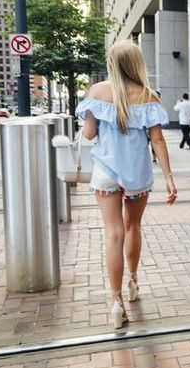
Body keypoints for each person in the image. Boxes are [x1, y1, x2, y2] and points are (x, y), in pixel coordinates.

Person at [76, 40, 177, 329]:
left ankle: (116, 302)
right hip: (137, 175)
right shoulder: (148, 96)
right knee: (133, 227)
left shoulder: (97, 92)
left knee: (113, 234)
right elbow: (157, 140)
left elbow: (90, 134)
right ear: (136, 63)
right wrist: (169, 178)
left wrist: (91, 122)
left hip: (106, 172)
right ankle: (133, 281)